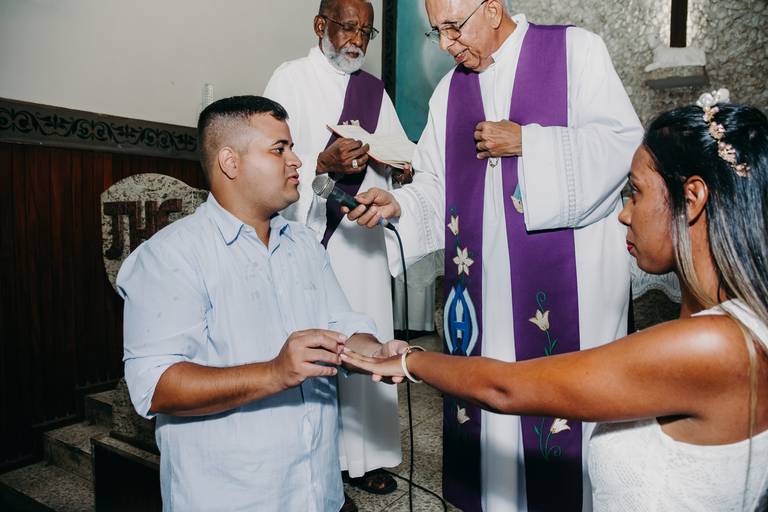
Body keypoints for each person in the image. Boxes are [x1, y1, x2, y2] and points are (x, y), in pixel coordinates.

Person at [343, 99, 768, 511]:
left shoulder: (712, 345)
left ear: (692, 198)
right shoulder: (734, 324)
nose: (624, 214)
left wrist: (407, 360)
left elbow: (504, 388)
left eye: (636, 193)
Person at [346, 0, 643, 509]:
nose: (446, 45)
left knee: (565, 419)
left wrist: (530, 142)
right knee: (491, 420)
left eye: (453, 28)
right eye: (437, 32)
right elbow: (435, 183)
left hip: (570, 284)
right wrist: (399, 205)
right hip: (483, 288)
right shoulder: (450, 90)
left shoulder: (575, 52)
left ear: (491, 8)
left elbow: (623, 146)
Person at [117, 95, 405, 511]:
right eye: (279, 149)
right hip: (235, 496)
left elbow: (339, 325)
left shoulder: (303, 244)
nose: (297, 161)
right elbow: (157, 386)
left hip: (315, 491)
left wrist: (374, 353)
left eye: (291, 148)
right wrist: (274, 372)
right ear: (230, 162)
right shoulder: (170, 256)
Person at [263, 0, 410, 501]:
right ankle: (322, 459)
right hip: (312, 233)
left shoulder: (373, 90)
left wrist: (399, 165)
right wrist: (322, 162)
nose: (357, 40)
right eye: (348, 28)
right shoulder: (290, 79)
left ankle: (367, 457)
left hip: (362, 236)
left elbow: (395, 149)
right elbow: (271, 156)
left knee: (368, 331)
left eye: (366, 32)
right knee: (322, 340)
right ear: (320, 25)